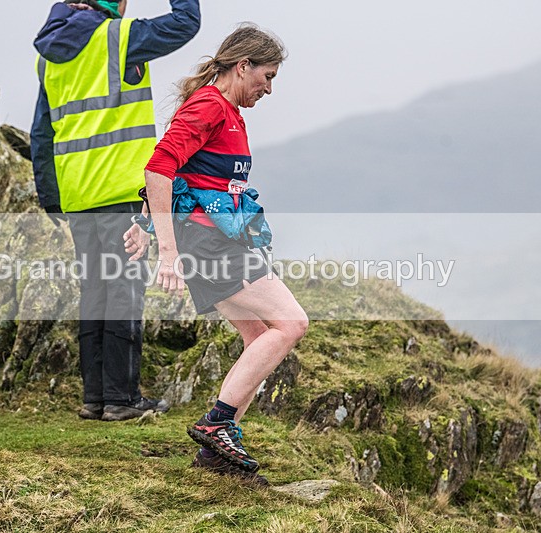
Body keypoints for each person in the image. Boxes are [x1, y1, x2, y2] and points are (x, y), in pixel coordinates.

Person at [125, 24, 309, 485]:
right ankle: (217, 423)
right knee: (291, 323)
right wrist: (166, 250)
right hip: (208, 243)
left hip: (216, 241)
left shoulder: (227, 111)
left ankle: (218, 455)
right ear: (242, 65)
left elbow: (179, 172)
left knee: (258, 337)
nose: (269, 88)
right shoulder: (210, 106)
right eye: (266, 76)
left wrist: (145, 224)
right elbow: (158, 168)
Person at [30, 0, 200, 422]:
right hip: (120, 187)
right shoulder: (119, 37)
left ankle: (95, 398)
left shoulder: (48, 55)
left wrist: (52, 196)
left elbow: (41, 131)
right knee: (123, 291)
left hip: (77, 194)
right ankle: (121, 400)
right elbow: (186, 22)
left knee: (96, 292)